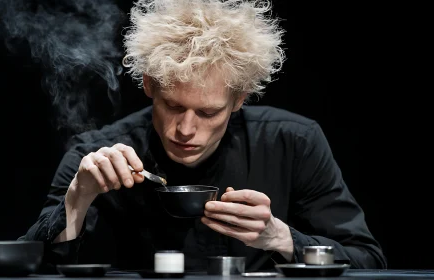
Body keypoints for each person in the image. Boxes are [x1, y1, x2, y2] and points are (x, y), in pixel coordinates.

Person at [19, 0, 386, 272]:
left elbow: (368, 262)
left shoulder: (293, 141)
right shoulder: (96, 155)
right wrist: (76, 201)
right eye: (173, 106)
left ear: (239, 99)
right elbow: (27, 270)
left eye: (208, 112)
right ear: (148, 86)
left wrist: (279, 237)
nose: (186, 129)